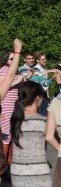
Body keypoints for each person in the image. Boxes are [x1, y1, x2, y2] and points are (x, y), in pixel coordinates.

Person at [10, 81, 52, 187]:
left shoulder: (15, 120)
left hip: (17, 173)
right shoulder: (43, 121)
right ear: (38, 97)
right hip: (38, 172)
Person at [0, 38, 22, 181]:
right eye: (11, 59)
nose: (14, 61)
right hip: (5, 110)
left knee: (13, 137)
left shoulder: (14, 71)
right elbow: (8, 79)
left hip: (14, 109)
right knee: (6, 139)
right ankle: (4, 169)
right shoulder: (3, 71)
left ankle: (8, 167)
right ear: (6, 60)